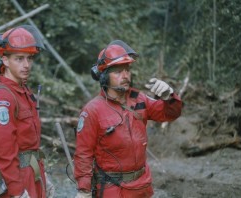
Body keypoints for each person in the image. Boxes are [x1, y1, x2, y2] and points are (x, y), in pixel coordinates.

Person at [73, 40, 183, 198]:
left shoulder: (140, 100)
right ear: (104, 77)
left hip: (142, 185)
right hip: (112, 189)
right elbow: (83, 154)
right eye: (118, 71)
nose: (125, 76)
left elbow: (171, 114)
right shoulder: (92, 110)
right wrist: (83, 190)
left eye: (127, 70)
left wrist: (169, 96)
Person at [0, 25, 54, 197]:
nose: (26, 65)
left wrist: (42, 175)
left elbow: (30, 146)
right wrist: (17, 192)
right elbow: (4, 152)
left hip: (31, 174)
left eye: (29, 58)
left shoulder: (23, 92)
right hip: (16, 179)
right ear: (5, 60)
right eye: (19, 59)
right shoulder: (2, 98)